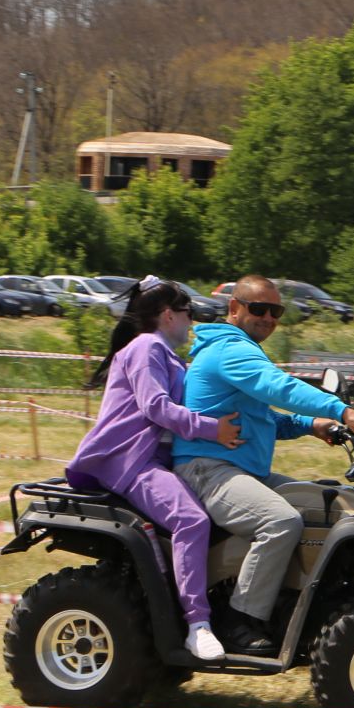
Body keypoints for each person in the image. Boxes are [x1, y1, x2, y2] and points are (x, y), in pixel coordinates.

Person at [172, 274, 354, 655]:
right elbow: (279, 387)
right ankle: (242, 620)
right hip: (207, 468)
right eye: (259, 308)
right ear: (234, 308)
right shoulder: (230, 350)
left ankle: (315, 604)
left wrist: (313, 426)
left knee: (328, 506)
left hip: (239, 469)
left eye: (276, 311)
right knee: (280, 520)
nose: (268, 317)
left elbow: (261, 417)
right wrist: (342, 410)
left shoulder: (241, 349)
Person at [68, 276, 241, 661]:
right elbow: (156, 408)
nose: (191, 322)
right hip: (130, 461)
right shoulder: (147, 346)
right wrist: (216, 431)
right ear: (168, 315)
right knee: (191, 521)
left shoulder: (164, 352)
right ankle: (198, 625)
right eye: (188, 313)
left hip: (152, 460)